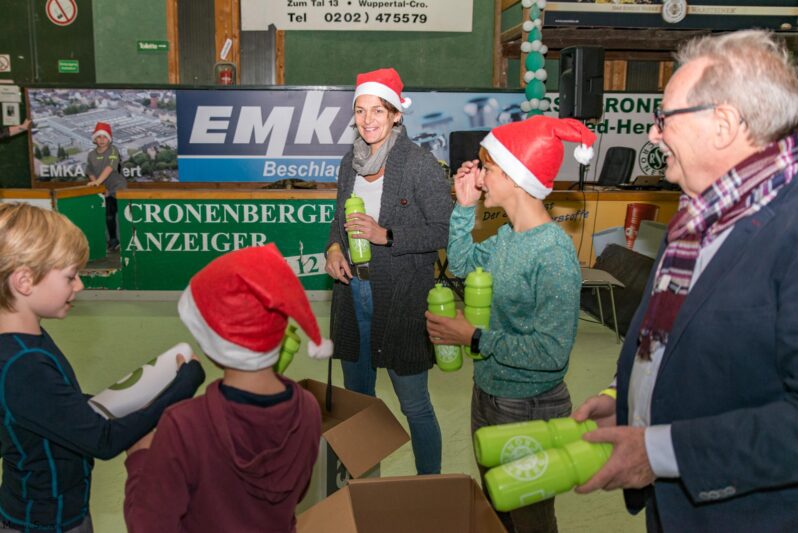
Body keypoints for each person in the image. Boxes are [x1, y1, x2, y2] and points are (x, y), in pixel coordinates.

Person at [572, 30, 798, 531]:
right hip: (673, 507)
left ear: (723, 124)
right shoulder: (699, 215)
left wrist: (659, 450)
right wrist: (629, 402)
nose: (654, 136)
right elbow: (676, 338)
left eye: (664, 119)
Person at [425, 115, 596, 532]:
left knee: (531, 520)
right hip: (489, 391)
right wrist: (464, 208)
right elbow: (461, 263)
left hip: (530, 406)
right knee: (496, 510)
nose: (480, 177)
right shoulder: (508, 237)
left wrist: (475, 337)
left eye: (488, 168)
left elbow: (551, 352)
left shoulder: (552, 253)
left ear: (516, 178)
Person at [0, 203, 204, 533]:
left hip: (55, 511)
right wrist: (184, 384)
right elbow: (103, 441)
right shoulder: (23, 364)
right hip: (46, 524)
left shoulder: (24, 344)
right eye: (70, 277)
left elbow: (56, 408)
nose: (79, 285)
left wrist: (139, 396)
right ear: (24, 281)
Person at [124, 244, 333, 532]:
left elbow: (147, 525)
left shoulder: (184, 425)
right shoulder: (308, 409)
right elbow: (295, 494)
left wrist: (139, 456)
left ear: (211, 344)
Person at [324, 67, 452, 475]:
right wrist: (333, 248)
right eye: (360, 111)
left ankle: (430, 487)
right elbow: (339, 220)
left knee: (414, 405)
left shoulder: (420, 165)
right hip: (353, 295)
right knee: (358, 403)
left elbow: (444, 229)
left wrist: (386, 235)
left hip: (401, 300)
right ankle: (365, 484)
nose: (368, 120)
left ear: (396, 114)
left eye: (378, 110)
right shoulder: (350, 162)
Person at [86, 122, 127, 251]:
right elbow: (90, 172)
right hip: (105, 189)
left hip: (119, 188)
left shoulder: (113, 150)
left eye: (105, 137)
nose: (102, 140)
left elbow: (110, 167)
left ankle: (128, 240)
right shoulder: (91, 155)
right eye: (99, 137)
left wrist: (98, 182)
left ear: (109, 139)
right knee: (109, 214)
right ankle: (113, 241)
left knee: (124, 214)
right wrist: (100, 187)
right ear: (95, 139)